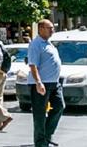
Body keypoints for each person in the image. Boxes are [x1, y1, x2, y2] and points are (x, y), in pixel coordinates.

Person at [27, 19, 65, 147]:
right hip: (41, 84)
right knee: (40, 114)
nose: (52, 30)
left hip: (54, 83)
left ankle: (46, 135)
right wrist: (38, 82)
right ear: (41, 28)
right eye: (49, 28)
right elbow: (33, 66)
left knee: (60, 106)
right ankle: (40, 142)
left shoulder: (49, 43)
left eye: (52, 28)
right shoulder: (36, 44)